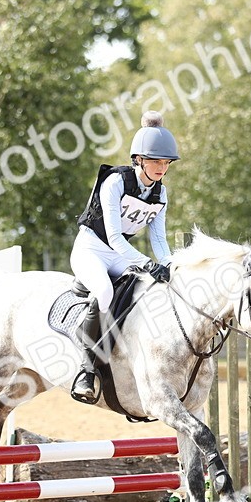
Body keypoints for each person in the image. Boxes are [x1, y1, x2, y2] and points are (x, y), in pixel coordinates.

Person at [69, 110, 178, 403]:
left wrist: (170, 266)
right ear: (138, 159)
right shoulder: (115, 182)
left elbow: (159, 239)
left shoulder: (160, 194)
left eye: (166, 162)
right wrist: (148, 264)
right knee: (104, 291)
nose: (161, 167)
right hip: (91, 249)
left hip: (120, 254)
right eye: (155, 161)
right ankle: (86, 369)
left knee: (149, 289)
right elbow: (114, 237)